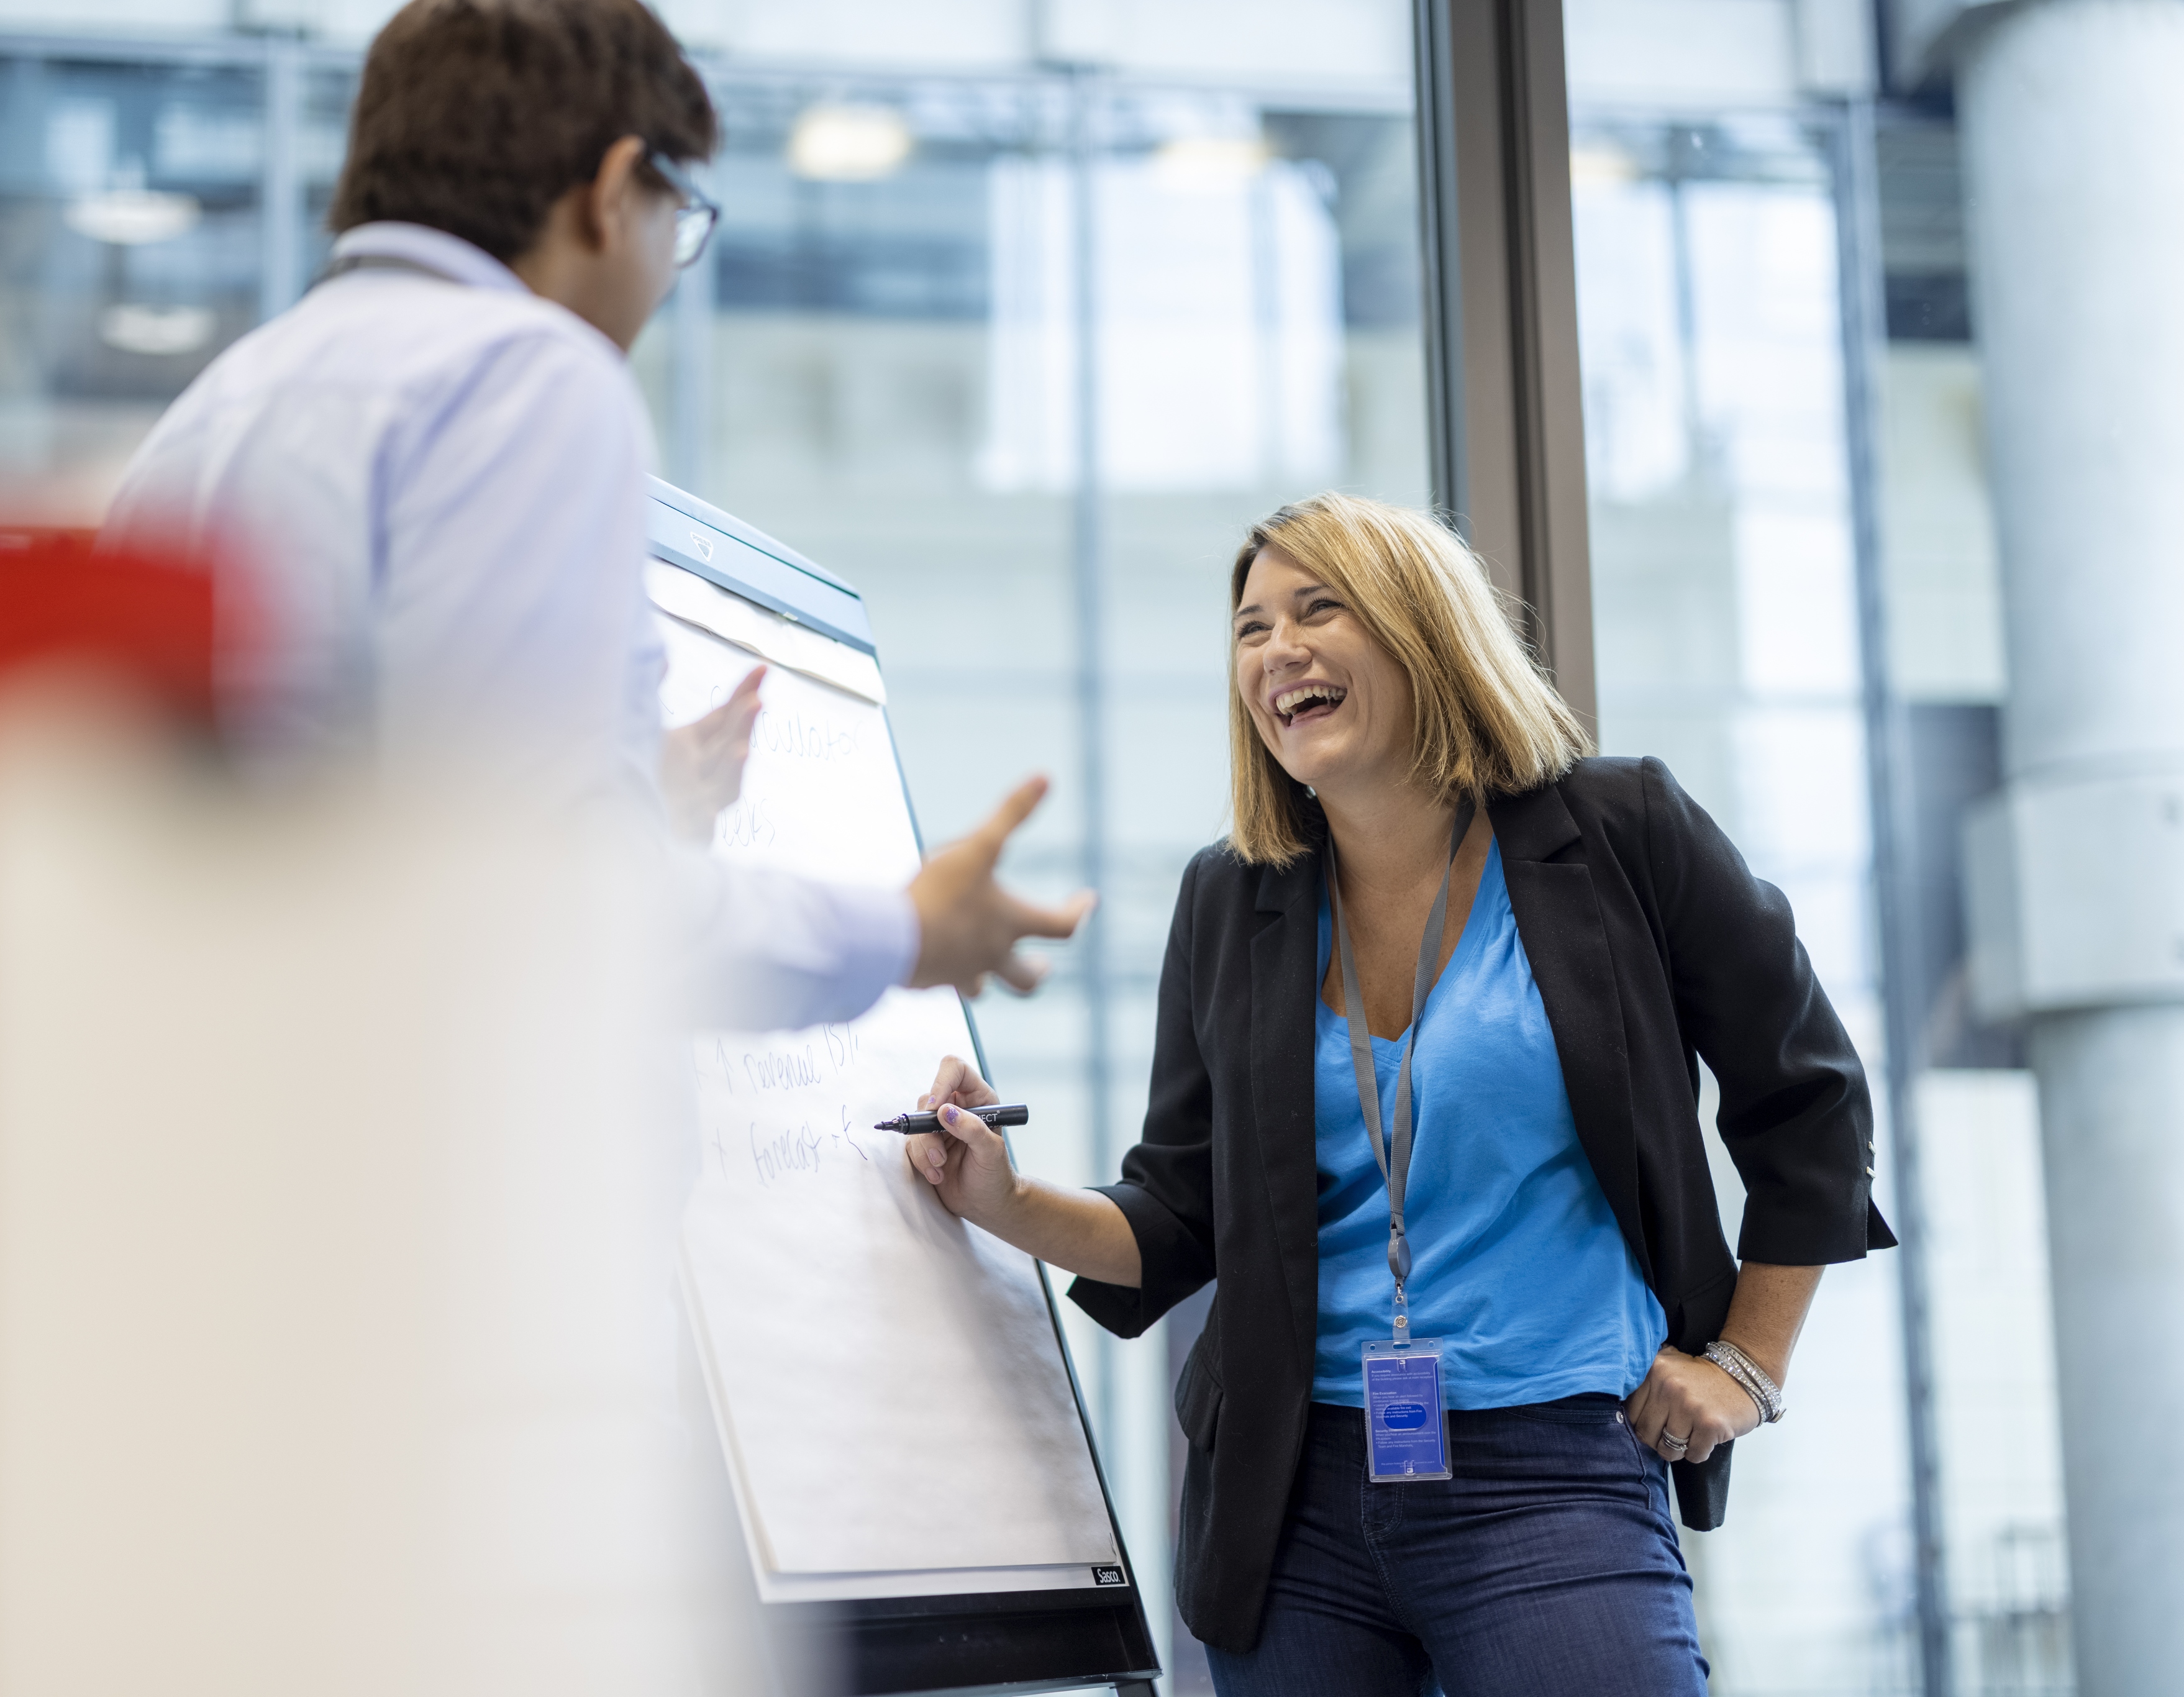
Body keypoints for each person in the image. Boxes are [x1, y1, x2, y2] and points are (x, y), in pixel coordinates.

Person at [902, 493, 1895, 1695]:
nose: (1276, 651)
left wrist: (1745, 1363)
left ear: (1422, 631)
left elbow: (1811, 1102)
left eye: (1317, 609)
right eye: (1250, 627)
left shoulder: (1619, 830)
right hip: (1289, 1500)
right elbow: (1176, 1214)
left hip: (1553, 1477)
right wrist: (999, 1196)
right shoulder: (1232, 898)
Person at [101, 0, 1087, 1027]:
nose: (669, 266)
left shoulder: (221, 402)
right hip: (398, 1153)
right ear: (615, 192)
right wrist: (909, 932)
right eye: (681, 218)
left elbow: (329, 821)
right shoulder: (524, 374)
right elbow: (554, 910)